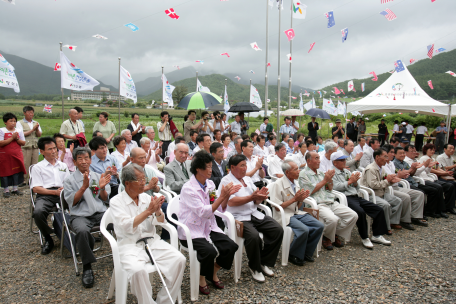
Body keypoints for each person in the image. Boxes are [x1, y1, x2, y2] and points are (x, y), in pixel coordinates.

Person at [110, 164, 186, 304]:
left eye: (144, 179)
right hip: (129, 245)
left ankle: (165, 301)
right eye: (139, 180)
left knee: (179, 260)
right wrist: (149, 211)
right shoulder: (116, 201)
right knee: (138, 271)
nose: (143, 183)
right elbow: (127, 226)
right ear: (127, 183)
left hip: (151, 241)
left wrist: (157, 211)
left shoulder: (145, 197)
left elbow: (160, 222)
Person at [178, 151, 239, 295]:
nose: (211, 170)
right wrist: (222, 196)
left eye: (212, 167)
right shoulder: (188, 189)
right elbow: (203, 211)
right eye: (208, 167)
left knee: (231, 246)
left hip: (209, 225)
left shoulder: (210, 184)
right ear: (198, 169)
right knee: (209, 251)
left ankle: (213, 271)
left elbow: (217, 206)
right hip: (192, 229)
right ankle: (201, 278)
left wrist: (226, 196)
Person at [217, 155, 284, 283]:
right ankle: (255, 267)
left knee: (277, 229)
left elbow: (255, 199)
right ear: (232, 167)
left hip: (253, 213)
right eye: (242, 165)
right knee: (254, 237)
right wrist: (252, 197)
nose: (245, 168)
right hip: (238, 217)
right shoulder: (226, 181)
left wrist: (260, 197)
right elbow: (231, 202)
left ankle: (263, 262)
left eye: (245, 165)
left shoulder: (247, 179)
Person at [63, 147, 111, 288]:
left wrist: (101, 188)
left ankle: (124, 255)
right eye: (80, 159)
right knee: (82, 231)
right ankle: (87, 267)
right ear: (74, 161)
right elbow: (73, 202)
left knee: (119, 222)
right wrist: (83, 187)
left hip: (99, 212)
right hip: (80, 215)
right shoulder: (70, 180)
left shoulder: (97, 176)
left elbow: (103, 198)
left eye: (86, 158)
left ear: (90, 159)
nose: (84, 162)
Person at [299, 152, 358, 250]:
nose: (319, 161)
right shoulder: (303, 174)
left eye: (319, 158)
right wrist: (325, 180)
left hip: (330, 200)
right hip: (317, 203)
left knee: (353, 216)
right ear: (308, 161)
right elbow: (309, 192)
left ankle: (332, 233)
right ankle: (327, 237)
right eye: (316, 158)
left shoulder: (321, 172)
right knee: (333, 219)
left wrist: (329, 180)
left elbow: (329, 188)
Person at [331, 151, 390, 249]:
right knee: (360, 212)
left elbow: (357, 187)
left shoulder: (346, 171)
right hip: (345, 198)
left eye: (345, 159)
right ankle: (365, 237)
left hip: (355, 196)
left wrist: (354, 183)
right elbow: (335, 187)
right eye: (341, 160)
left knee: (378, 209)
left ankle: (377, 235)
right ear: (335, 163)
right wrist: (350, 182)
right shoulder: (332, 173)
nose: (344, 162)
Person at [269, 159, 324, 265]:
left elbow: (298, 206)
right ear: (287, 172)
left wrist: (301, 199)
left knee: (319, 226)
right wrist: (295, 199)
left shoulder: (296, 183)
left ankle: (306, 253)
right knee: (304, 230)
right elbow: (277, 207)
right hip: (284, 214)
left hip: (295, 213)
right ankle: (293, 254)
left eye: (298, 169)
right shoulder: (278, 184)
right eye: (295, 169)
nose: (299, 171)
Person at [31, 137, 70, 254]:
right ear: (41, 151)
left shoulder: (62, 165)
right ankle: (48, 237)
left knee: (81, 203)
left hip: (62, 193)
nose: (53, 151)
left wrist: (65, 188)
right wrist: (54, 192)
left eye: (54, 148)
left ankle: (83, 231)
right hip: (46, 194)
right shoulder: (38, 167)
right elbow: (36, 188)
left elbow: (68, 182)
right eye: (49, 149)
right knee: (38, 213)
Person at [383, 145, 427, 228]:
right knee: (406, 197)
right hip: (389, 188)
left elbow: (398, 174)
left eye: (393, 152)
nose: (392, 154)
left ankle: (415, 217)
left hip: (397, 186)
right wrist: (399, 176)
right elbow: (388, 179)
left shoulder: (391, 163)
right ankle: (404, 220)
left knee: (419, 194)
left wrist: (402, 174)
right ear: (385, 154)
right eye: (391, 152)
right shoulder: (383, 165)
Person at [361, 149, 404, 234]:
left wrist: (391, 181)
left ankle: (392, 222)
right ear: (377, 157)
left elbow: (384, 183)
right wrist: (387, 181)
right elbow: (373, 185)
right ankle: (386, 227)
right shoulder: (371, 169)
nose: (387, 159)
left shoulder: (381, 168)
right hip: (371, 195)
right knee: (385, 205)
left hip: (381, 193)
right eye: (385, 156)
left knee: (398, 201)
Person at [403, 145, 451, 218]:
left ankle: (439, 209)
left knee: (443, 186)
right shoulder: (407, 161)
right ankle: (433, 210)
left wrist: (428, 166)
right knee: (437, 188)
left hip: (426, 177)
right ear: (406, 152)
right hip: (420, 179)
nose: (414, 153)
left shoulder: (416, 160)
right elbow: (415, 173)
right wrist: (425, 166)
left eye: (415, 151)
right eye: (411, 151)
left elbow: (426, 171)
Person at [420, 143, 456, 213]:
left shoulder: (433, 158)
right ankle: (441, 209)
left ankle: (449, 206)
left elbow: (438, 168)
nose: (432, 151)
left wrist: (446, 173)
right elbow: (432, 170)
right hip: (428, 177)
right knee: (443, 186)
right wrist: (445, 173)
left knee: (451, 185)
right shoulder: (424, 158)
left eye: (433, 150)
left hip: (433, 177)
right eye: (430, 150)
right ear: (426, 150)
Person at [0, 113, 26, 197]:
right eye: (11, 121)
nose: (13, 123)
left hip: (17, 155)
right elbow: (1, 143)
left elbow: (23, 143)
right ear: (5, 122)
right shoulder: (2, 130)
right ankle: (6, 190)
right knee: (5, 171)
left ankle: (15, 189)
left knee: (16, 171)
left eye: (14, 121)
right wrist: (12, 138)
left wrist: (16, 138)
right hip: (5, 156)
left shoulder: (19, 131)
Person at [16, 106, 41, 184]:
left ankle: (33, 180)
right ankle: (24, 180)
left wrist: (36, 129)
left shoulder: (36, 123)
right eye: (29, 112)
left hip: (35, 146)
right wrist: (32, 130)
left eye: (32, 112)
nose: (31, 114)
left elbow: (39, 134)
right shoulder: (20, 123)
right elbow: (21, 134)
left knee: (35, 164)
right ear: (24, 113)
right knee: (25, 163)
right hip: (25, 146)